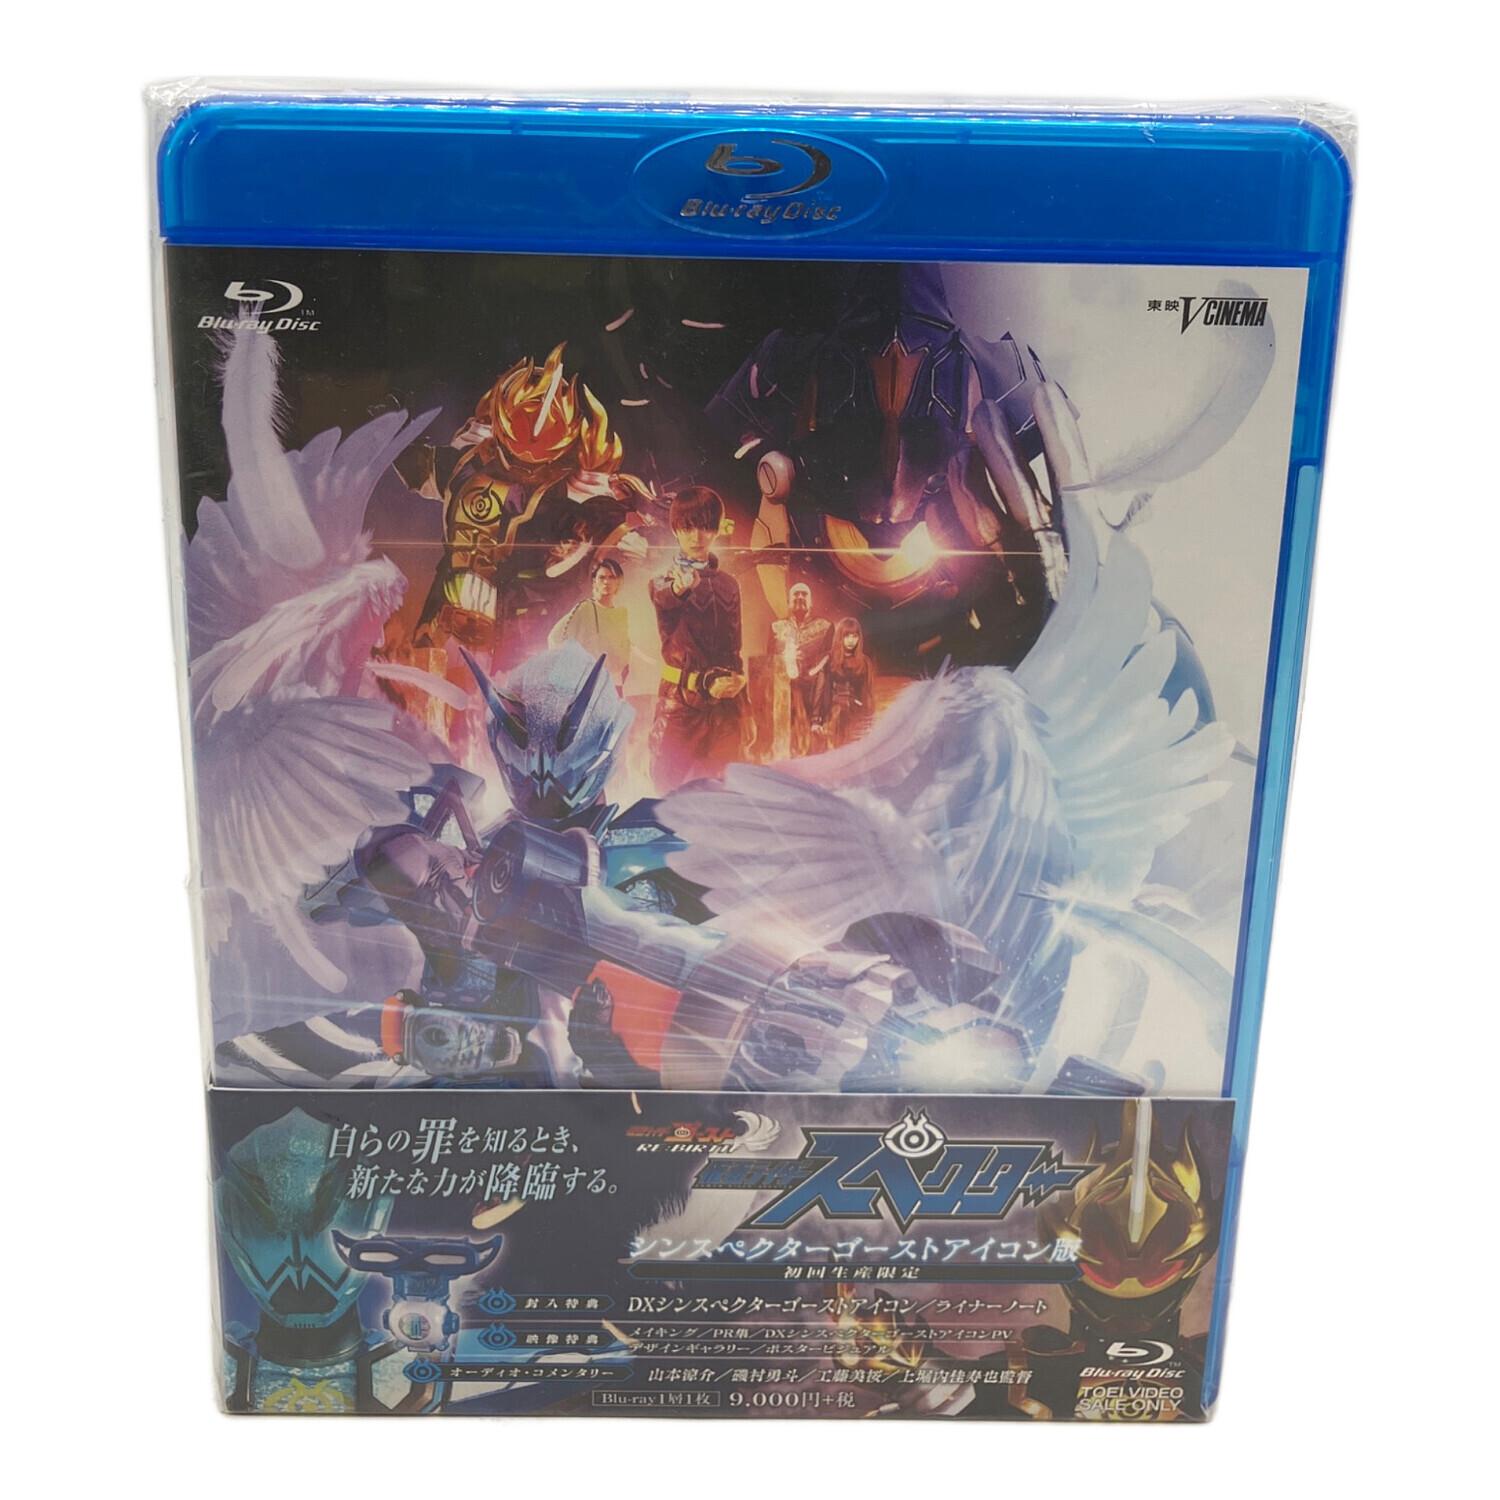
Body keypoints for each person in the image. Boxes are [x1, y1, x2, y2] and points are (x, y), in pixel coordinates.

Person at [648, 486, 747, 787]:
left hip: (726, 707)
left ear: (715, 530)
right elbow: (665, 596)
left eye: (705, 527)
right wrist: (680, 588)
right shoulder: (663, 581)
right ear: (675, 529)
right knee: (666, 786)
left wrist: (742, 699)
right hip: (680, 705)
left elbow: (735, 648)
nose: (697, 536)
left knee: (725, 789)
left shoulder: (729, 584)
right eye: (688, 527)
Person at [549, 555, 632, 686]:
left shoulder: (622, 613)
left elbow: (625, 648)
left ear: (618, 582)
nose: (606, 582)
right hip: (588, 682)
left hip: (614, 683)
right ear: (594, 582)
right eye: (602, 577)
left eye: (612, 577)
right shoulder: (585, 608)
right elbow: (555, 637)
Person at [822, 616, 876, 747]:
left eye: (854, 636)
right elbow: (825, 690)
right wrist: (822, 718)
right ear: (840, 637)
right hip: (834, 714)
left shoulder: (865, 662)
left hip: (856, 713)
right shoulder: (830, 660)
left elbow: (867, 692)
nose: (851, 640)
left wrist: (868, 720)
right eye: (847, 636)